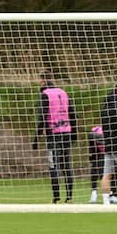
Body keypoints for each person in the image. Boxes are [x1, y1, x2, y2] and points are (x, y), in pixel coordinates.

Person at [35, 74, 77, 204]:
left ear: (43, 81)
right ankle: (69, 197)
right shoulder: (63, 92)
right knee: (66, 165)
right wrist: (74, 133)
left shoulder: (45, 94)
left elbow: (42, 116)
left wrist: (36, 138)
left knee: (53, 165)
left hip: (53, 134)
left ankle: (57, 198)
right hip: (66, 132)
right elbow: (73, 113)